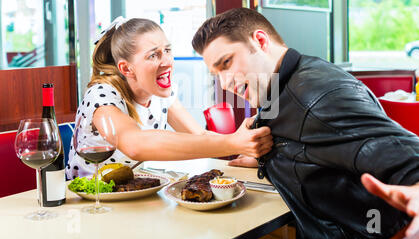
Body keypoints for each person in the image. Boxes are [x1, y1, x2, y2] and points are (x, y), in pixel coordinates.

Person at [191, 7, 419, 239]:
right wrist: (266, 156)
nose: (224, 84)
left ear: (260, 41)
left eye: (226, 63)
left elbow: (407, 154)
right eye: (217, 74)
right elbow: (296, 136)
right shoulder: (280, 82)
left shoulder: (321, 97)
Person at [66, 17, 272, 179]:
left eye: (167, 50)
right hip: (91, 204)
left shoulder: (160, 94)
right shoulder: (102, 95)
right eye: (153, 55)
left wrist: (248, 147)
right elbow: (135, 144)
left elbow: (198, 135)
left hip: (135, 196)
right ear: (126, 68)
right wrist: (234, 143)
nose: (167, 62)